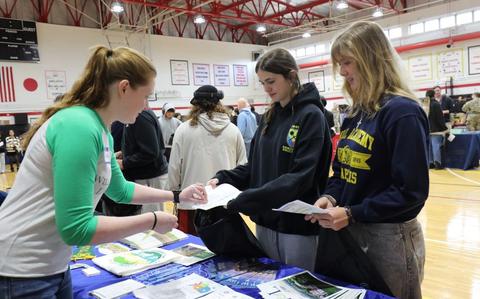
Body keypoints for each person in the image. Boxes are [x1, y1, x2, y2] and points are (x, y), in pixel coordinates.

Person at [0, 46, 207, 298]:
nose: (145, 106)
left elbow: (120, 190)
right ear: (123, 87)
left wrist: (175, 196)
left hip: (53, 262)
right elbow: (77, 228)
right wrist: (151, 221)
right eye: (146, 96)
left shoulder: (101, 130)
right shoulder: (78, 126)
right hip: (20, 268)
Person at [306, 21, 428, 299]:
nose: (343, 71)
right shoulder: (356, 113)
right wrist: (331, 198)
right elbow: (340, 172)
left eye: (347, 62)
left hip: (390, 238)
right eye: (339, 64)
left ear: (371, 59)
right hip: (353, 230)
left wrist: (352, 213)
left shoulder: (402, 112)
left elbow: (411, 192)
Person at [208, 48, 332, 271]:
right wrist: (224, 179)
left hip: (297, 228)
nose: (267, 88)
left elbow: (300, 178)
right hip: (265, 223)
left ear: (291, 76)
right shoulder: (269, 117)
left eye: (271, 81)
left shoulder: (311, 116)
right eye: (262, 82)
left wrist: (251, 198)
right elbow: (254, 168)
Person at [169, 85, 247, 234]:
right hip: (225, 203)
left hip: (191, 201)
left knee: (192, 251)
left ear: (195, 105)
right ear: (219, 103)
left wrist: (175, 193)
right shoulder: (233, 130)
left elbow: (174, 167)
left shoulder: (183, 130)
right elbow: (242, 166)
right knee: (225, 252)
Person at [426, 89, 448, 169]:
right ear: (434, 94)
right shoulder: (436, 104)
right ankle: (437, 163)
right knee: (436, 145)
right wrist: (444, 128)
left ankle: (430, 163)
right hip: (436, 129)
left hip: (427, 128)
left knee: (429, 146)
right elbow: (440, 118)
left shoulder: (425, 104)